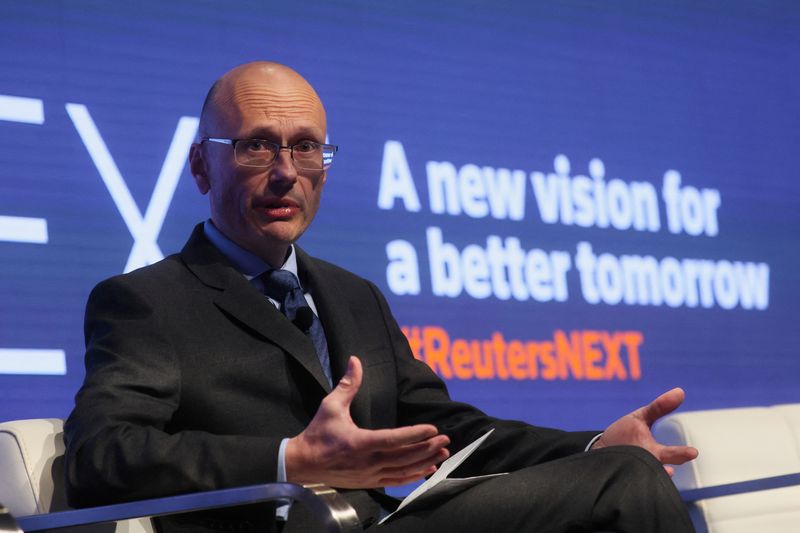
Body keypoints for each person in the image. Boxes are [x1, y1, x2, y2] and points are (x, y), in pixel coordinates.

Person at [64, 61, 698, 533]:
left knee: (618, 472)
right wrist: (290, 459)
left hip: (386, 522)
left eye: (306, 146)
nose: (287, 170)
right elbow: (101, 456)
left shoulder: (352, 294)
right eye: (258, 144)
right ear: (202, 165)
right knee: (627, 485)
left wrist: (591, 445)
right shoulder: (144, 301)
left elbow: (451, 434)